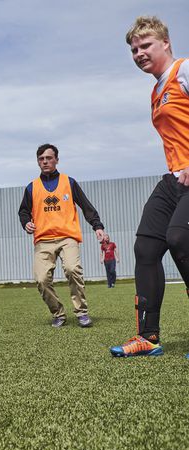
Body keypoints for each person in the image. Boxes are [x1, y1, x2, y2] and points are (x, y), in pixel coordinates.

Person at [110, 17, 189, 357]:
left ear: (166, 44)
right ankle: (148, 336)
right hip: (173, 179)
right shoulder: (156, 90)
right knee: (146, 247)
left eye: (145, 46)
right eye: (133, 49)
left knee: (179, 238)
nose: (138, 53)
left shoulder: (184, 71)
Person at [18, 144, 108, 328]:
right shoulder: (31, 188)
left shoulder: (70, 182)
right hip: (43, 240)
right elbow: (23, 212)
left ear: (57, 160)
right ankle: (58, 313)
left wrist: (97, 226)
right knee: (42, 279)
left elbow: (86, 206)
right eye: (41, 159)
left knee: (72, 269)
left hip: (68, 236)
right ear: (37, 162)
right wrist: (26, 222)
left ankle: (82, 312)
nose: (45, 161)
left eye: (49, 158)